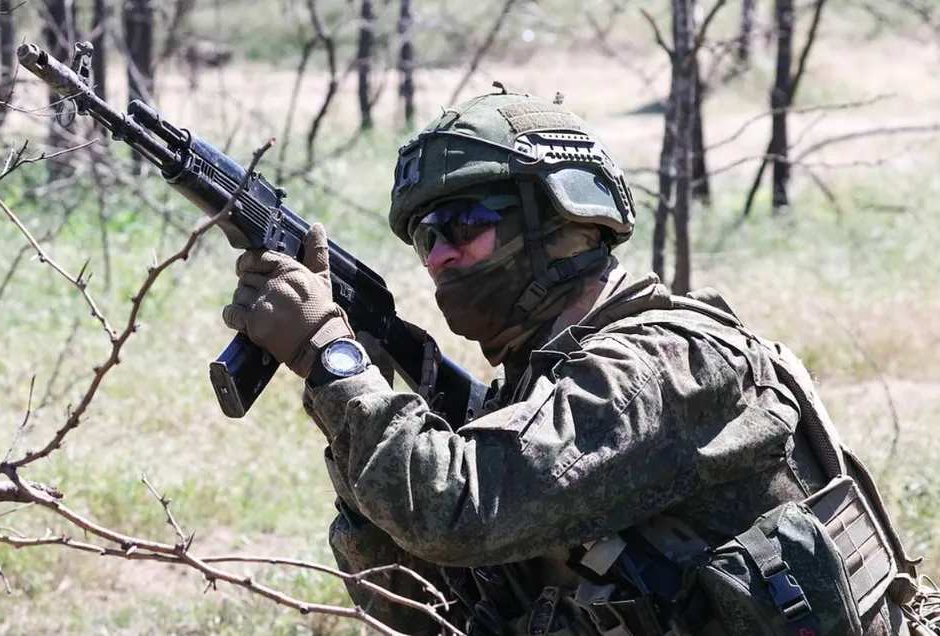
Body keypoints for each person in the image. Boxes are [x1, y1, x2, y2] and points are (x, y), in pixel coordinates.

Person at [222, 89, 930, 635]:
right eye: (425, 237)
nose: (440, 256)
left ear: (560, 220)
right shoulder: (533, 390)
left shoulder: (663, 366)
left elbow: (453, 510)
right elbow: (425, 611)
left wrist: (333, 357)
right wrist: (359, 410)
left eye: (464, 225)